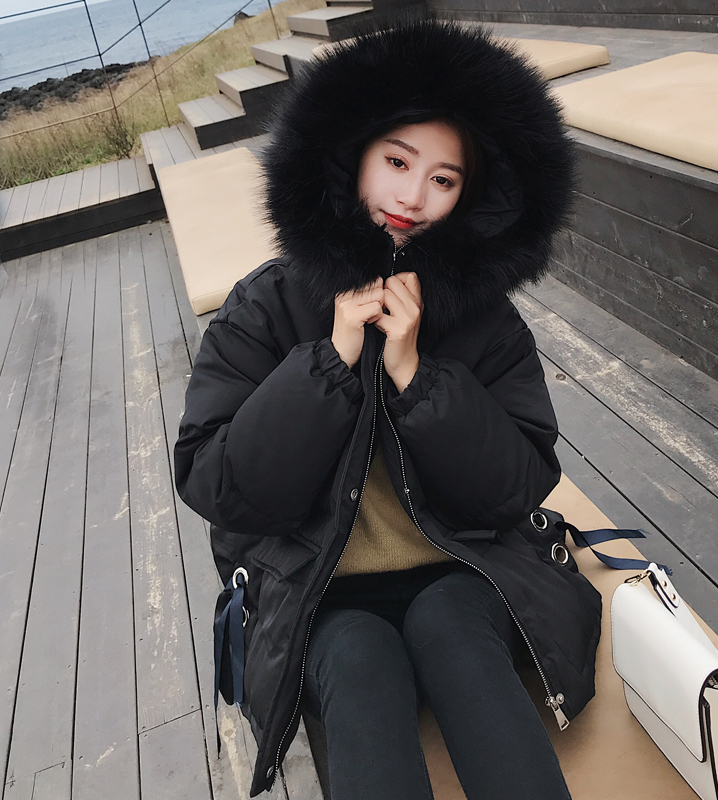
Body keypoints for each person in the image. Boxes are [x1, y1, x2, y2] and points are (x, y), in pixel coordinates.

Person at [174, 19, 602, 799]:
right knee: (357, 659)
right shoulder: (266, 308)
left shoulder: (484, 321)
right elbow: (222, 488)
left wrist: (415, 374)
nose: (412, 196)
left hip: (466, 569)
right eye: (397, 162)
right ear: (350, 159)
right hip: (320, 589)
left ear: (471, 197)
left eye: (444, 179)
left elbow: (512, 489)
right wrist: (329, 362)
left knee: (453, 632)